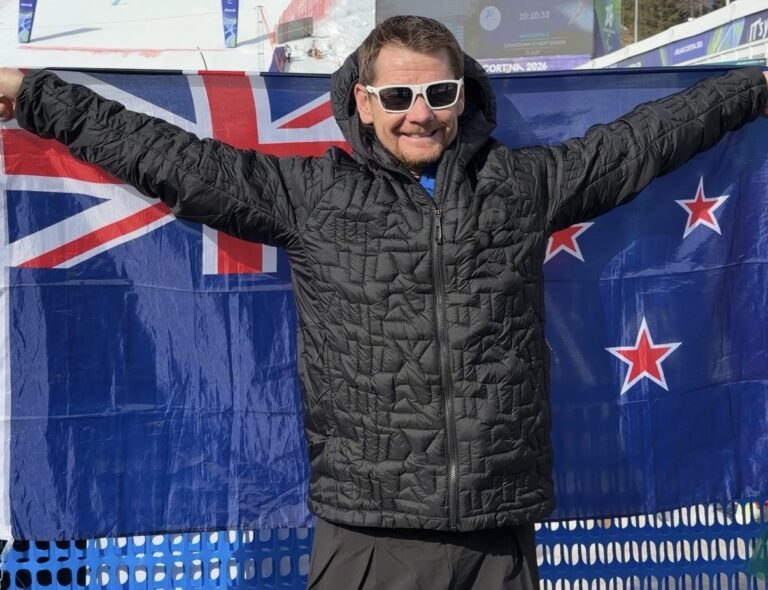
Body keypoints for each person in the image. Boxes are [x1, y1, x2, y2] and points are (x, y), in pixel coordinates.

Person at [1, 14, 767, 590]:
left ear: (462, 96)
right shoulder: (312, 196)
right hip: (369, 534)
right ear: (363, 103)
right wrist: (35, 97)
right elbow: (171, 158)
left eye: (438, 92)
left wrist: (754, 88)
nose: (420, 112)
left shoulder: (522, 185)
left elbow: (642, 141)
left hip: (500, 533)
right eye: (398, 95)